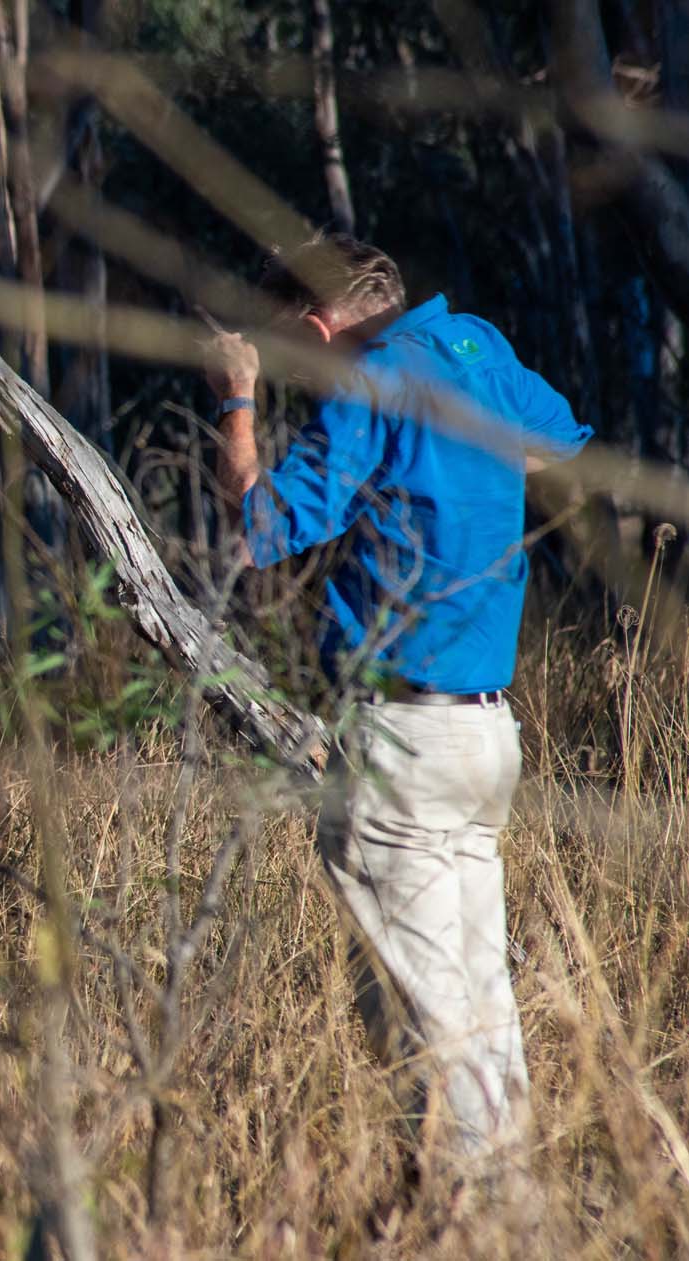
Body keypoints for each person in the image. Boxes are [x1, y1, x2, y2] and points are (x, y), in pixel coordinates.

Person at [199, 236, 591, 1190]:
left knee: (426, 1016)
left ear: (316, 324)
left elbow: (257, 527)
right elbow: (561, 439)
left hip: (403, 739)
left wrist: (238, 397)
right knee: (480, 997)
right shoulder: (475, 349)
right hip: (487, 735)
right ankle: (516, 1204)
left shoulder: (370, 382)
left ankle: (481, 1216)